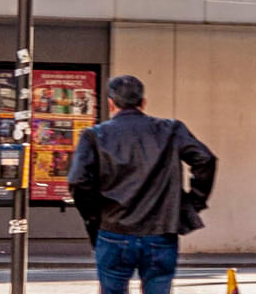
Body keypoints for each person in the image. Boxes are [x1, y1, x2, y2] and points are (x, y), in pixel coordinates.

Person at [66, 74, 216, 294]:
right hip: (160, 230)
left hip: (113, 228)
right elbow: (205, 159)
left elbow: (78, 181)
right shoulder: (170, 130)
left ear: (110, 103)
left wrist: (94, 214)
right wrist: (193, 201)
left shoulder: (95, 136)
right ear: (143, 102)